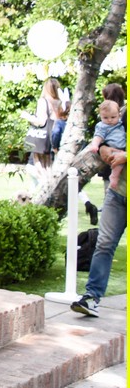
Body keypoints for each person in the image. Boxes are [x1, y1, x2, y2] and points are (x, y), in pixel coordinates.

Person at [71, 99, 127, 318]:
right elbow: (105, 133)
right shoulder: (123, 114)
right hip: (118, 193)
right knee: (104, 243)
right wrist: (103, 148)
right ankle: (91, 297)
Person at [22, 77, 64, 175]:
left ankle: (46, 182)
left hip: (43, 137)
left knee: (37, 166)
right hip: (54, 138)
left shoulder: (43, 101)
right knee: (49, 166)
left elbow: (41, 121)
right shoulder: (60, 102)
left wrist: (27, 117)